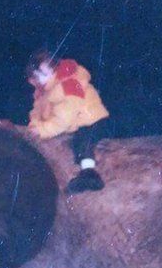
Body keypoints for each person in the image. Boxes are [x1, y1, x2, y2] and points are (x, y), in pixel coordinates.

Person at [26, 51, 111, 194]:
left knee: (83, 141)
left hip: (91, 119)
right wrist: (35, 125)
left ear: (56, 69)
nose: (42, 79)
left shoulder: (68, 84)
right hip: (74, 124)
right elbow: (37, 112)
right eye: (37, 76)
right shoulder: (44, 92)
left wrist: (43, 130)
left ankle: (89, 174)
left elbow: (65, 117)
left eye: (45, 74)